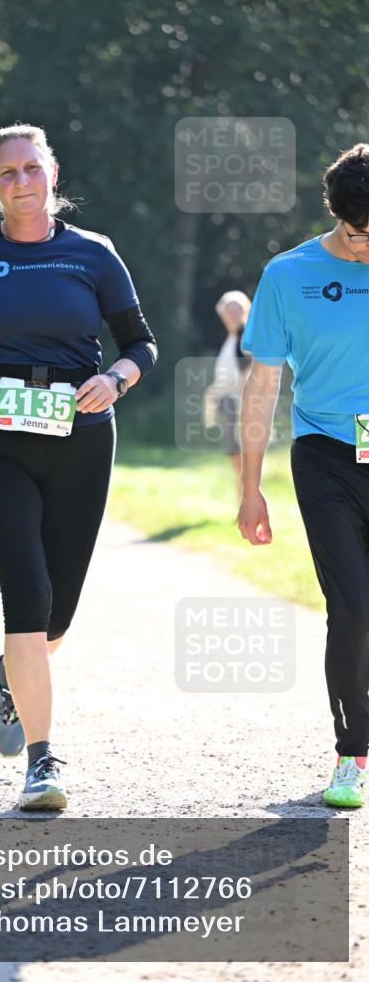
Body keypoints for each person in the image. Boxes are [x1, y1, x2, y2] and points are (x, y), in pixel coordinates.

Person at [0, 123, 157, 811]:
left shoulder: (93, 255)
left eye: (31, 168)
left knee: (57, 616)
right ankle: (43, 764)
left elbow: (140, 342)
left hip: (79, 434)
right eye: (6, 173)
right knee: (25, 588)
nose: (21, 181)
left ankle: (7, 675)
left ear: (51, 172)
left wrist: (117, 378)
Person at [238, 143, 369, 808]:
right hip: (324, 455)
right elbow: (262, 383)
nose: (367, 247)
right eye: (358, 234)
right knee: (350, 606)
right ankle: (351, 753)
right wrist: (248, 487)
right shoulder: (287, 275)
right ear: (336, 216)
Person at [203, 290, 251, 492]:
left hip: (239, 403)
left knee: (241, 456)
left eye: (236, 310)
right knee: (235, 456)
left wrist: (244, 400)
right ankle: (241, 500)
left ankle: (246, 500)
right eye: (228, 311)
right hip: (227, 402)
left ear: (244, 311)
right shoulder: (232, 338)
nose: (231, 315)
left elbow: (252, 367)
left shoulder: (245, 335)